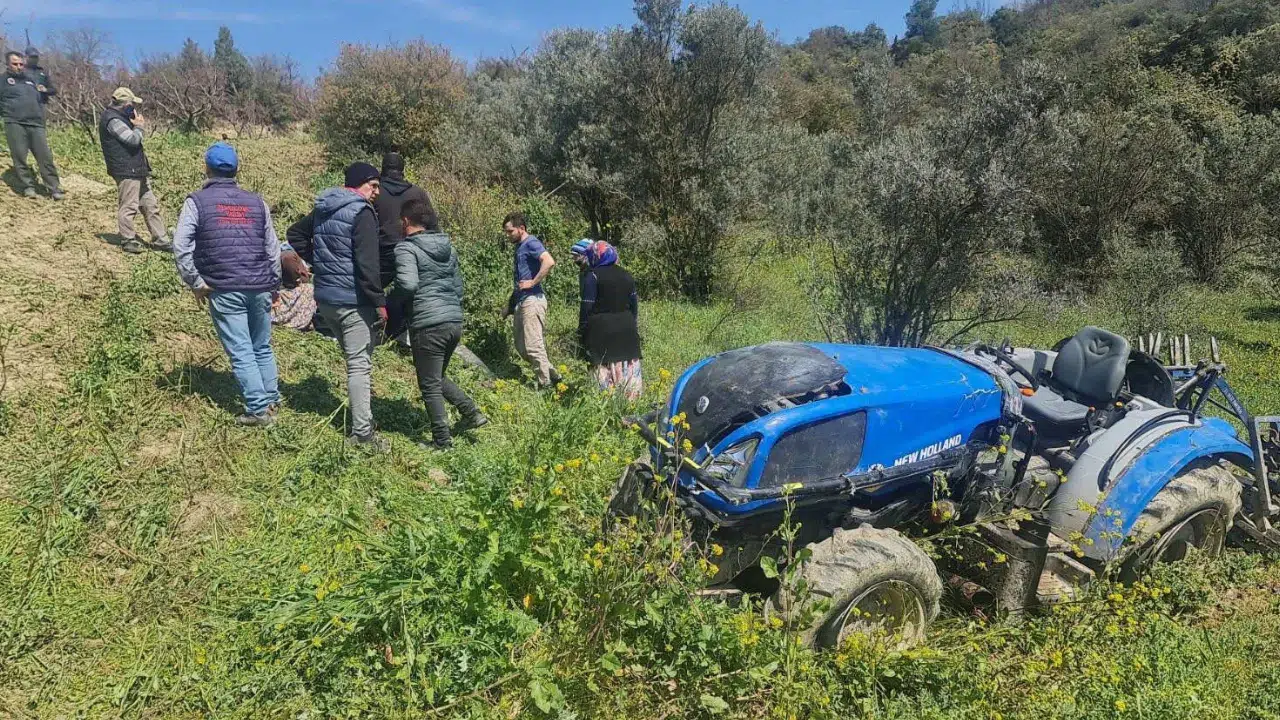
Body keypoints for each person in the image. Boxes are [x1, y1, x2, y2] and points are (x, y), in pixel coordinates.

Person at [172, 142, 282, 426]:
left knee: (241, 348)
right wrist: (274, 285)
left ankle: (258, 410)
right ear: (237, 170)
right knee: (262, 345)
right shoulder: (257, 202)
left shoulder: (196, 202)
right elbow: (272, 249)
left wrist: (195, 281)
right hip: (259, 284)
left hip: (224, 285)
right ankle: (271, 400)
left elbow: (181, 245)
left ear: (206, 168)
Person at [286, 162, 389, 451]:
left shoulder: (325, 206)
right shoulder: (362, 213)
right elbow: (368, 265)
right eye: (373, 185)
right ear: (358, 184)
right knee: (359, 366)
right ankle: (363, 434)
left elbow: (294, 234)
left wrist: (321, 263)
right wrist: (380, 303)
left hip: (327, 298)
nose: (377, 192)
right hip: (352, 300)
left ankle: (361, 418)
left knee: (354, 360)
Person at [394, 198, 488, 449]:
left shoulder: (406, 249)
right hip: (453, 320)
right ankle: (472, 413)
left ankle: (442, 441)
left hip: (427, 323)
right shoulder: (448, 247)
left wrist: (392, 303)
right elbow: (458, 288)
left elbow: (408, 284)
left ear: (406, 221)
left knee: (428, 383)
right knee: (436, 377)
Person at [100, 87, 170, 254]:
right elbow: (132, 140)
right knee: (129, 205)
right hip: (126, 169)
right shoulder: (113, 120)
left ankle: (161, 239)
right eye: (131, 104)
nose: (134, 108)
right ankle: (128, 239)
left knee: (150, 205)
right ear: (124, 104)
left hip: (137, 169)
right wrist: (139, 127)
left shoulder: (121, 118)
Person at [374, 152, 434, 343]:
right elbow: (432, 225)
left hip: (380, 252)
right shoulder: (417, 193)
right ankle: (403, 331)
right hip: (413, 250)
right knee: (410, 291)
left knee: (371, 290)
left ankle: (374, 327)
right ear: (402, 170)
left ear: (383, 168)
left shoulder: (375, 191)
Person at [501, 212, 560, 388]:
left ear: (522, 229)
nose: (508, 235)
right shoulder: (520, 247)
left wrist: (533, 282)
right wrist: (509, 307)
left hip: (532, 300)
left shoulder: (531, 242)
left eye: (510, 231)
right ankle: (553, 375)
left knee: (533, 346)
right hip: (522, 302)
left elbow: (549, 261)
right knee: (522, 347)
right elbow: (519, 283)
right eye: (506, 232)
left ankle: (545, 385)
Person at [578, 241, 643, 400]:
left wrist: (582, 331)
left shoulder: (592, 276)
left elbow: (587, 306)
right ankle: (629, 406)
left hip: (601, 331)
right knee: (627, 367)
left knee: (603, 369)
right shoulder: (627, 275)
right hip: (627, 330)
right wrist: (631, 325)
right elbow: (634, 307)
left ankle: (607, 406)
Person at [1, 50, 62, 200]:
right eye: (15, 64)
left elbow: (43, 96)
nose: (19, 67)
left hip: (36, 123)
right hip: (15, 123)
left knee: (45, 157)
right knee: (20, 156)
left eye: (21, 64)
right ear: (7, 64)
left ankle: (54, 188)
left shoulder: (30, 80)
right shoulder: (3, 81)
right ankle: (28, 187)